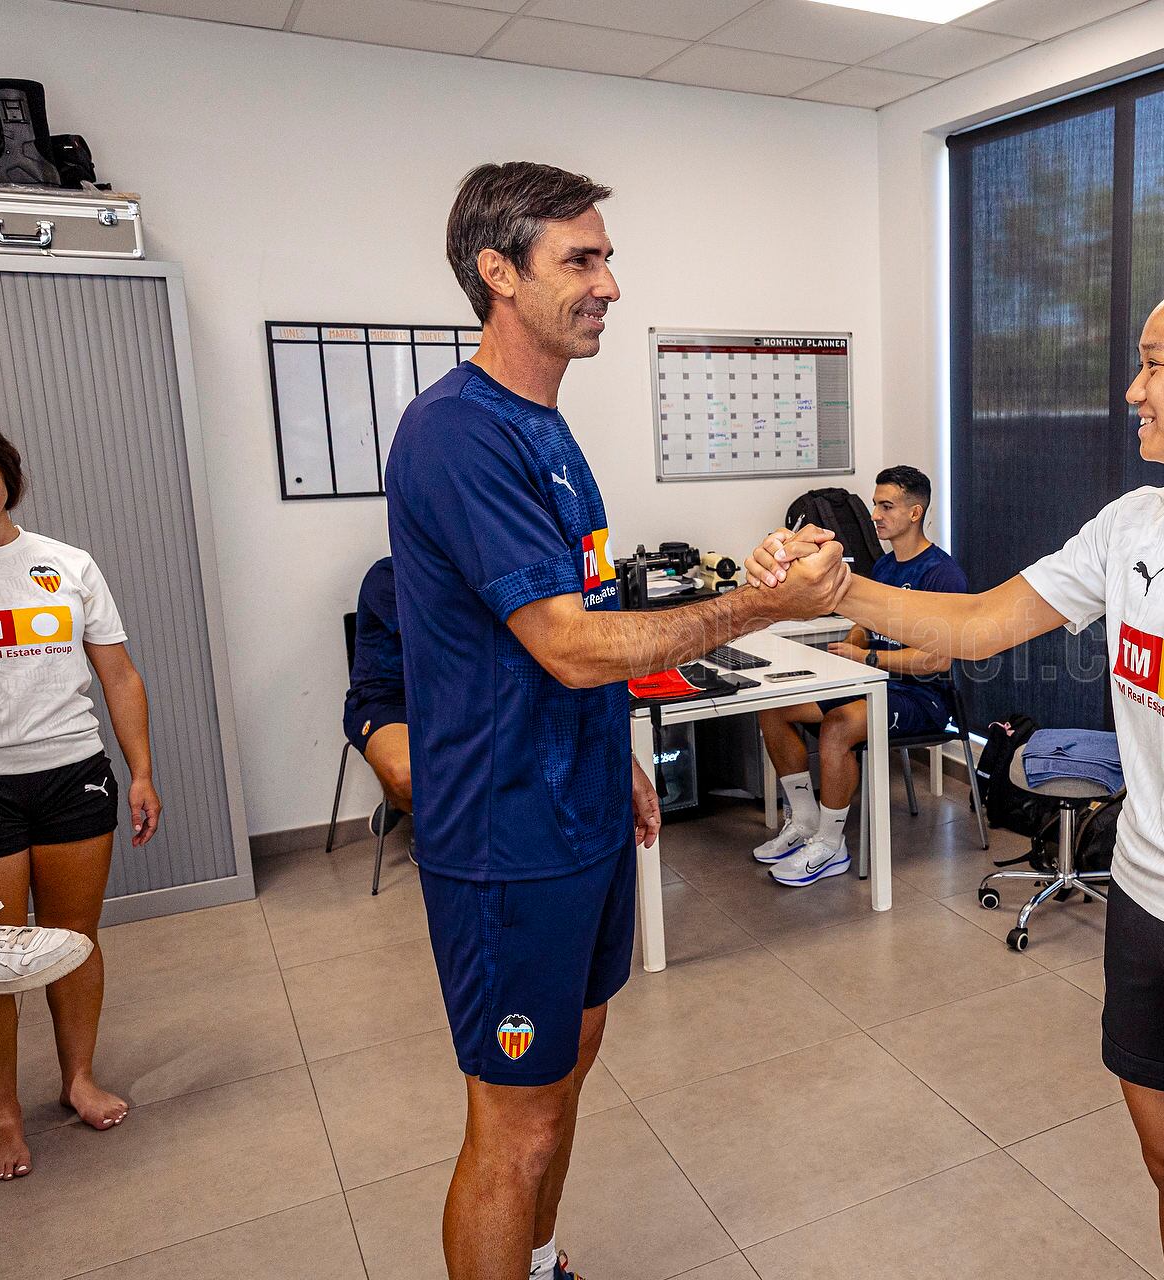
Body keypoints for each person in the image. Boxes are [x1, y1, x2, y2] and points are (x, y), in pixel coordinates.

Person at [750, 269, 1164, 1280]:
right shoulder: (1136, 525)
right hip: (1143, 904)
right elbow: (977, 620)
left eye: (1153, 362)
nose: (1132, 388)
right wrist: (843, 587)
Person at [386, 161, 848, 1280]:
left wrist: (617, 756)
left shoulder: (546, 431)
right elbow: (566, 641)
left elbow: (577, 628)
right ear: (498, 273)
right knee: (514, 1118)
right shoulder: (459, 433)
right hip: (507, 836)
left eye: (606, 257)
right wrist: (753, 603)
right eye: (581, 260)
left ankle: (538, 1263)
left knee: (573, 1062)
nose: (610, 284)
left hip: (577, 801)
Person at [0, 411, 163, 1180]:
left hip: (71, 770)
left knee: (75, 937)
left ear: (7, 475)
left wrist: (139, 770)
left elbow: (119, 673)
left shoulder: (67, 564)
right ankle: (3, 1112)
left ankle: (77, 1077)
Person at [753, 466, 968, 886]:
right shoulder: (885, 567)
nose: (875, 514)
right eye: (874, 504)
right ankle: (805, 821)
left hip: (923, 700)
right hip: (874, 686)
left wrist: (866, 657)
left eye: (886, 506)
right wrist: (854, 641)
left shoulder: (943, 575)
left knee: (838, 726)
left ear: (914, 513)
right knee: (774, 709)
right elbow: (864, 625)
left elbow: (936, 661)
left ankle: (831, 846)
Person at [342, 555, 410, 839]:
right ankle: (404, 801)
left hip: (443, 700)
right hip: (383, 700)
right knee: (408, 775)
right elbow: (441, 641)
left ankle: (411, 803)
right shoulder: (387, 575)